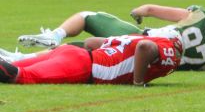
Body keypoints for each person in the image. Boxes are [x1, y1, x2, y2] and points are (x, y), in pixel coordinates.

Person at [11, 4, 205, 71]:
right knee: (84, 53)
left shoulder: (200, 15)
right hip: (159, 63)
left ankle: (53, 36)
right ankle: (20, 60)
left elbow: (150, 9)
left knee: (87, 16)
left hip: (141, 40)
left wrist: (139, 12)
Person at [0, 34, 182, 86]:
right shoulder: (168, 48)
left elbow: (89, 42)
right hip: (82, 65)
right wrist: (138, 81)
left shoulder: (132, 37)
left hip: (71, 52)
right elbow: (145, 47)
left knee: (13, 68)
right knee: (20, 76)